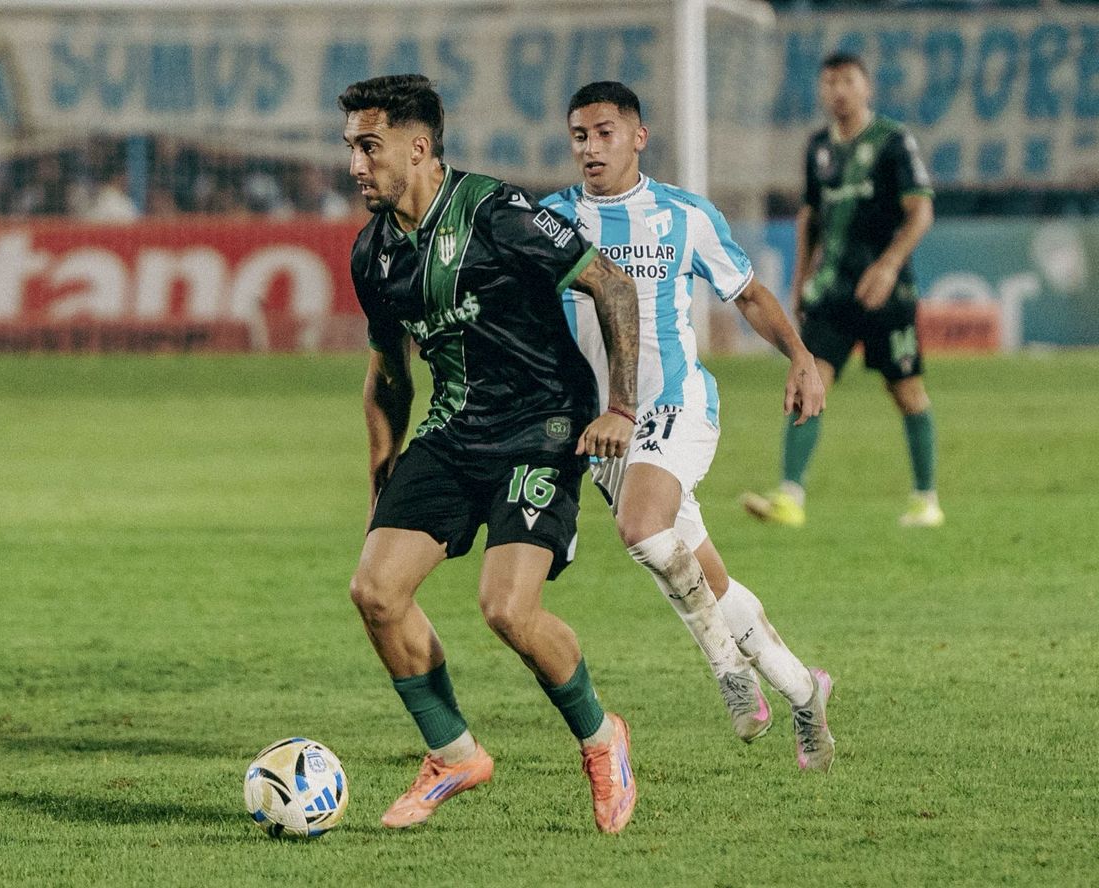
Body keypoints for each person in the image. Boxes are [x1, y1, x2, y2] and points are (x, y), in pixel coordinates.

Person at [340, 74, 642, 833]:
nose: (355, 164)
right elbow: (388, 373)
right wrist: (385, 470)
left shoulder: (496, 213)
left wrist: (622, 408)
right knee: (376, 592)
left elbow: (612, 286)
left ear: (418, 148)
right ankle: (454, 752)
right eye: (350, 146)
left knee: (506, 608)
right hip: (453, 432)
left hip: (542, 428)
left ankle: (603, 738)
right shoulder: (374, 254)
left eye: (368, 147)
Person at [542, 81, 836, 771]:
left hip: (678, 407)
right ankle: (803, 690)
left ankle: (728, 672)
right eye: (580, 135)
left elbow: (751, 295)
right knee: (709, 583)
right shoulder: (551, 221)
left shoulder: (683, 215)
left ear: (638, 137)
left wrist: (801, 358)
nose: (591, 147)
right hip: (608, 431)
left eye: (606, 132)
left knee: (642, 529)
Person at [741, 51, 941, 529]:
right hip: (831, 293)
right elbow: (810, 215)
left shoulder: (894, 142)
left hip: (884, 293)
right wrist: (798, 282)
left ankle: (925, 498)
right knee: (810, 380)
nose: (839, 91)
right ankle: (789, 497)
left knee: (906, 389)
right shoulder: (817, 148)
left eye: (848, 81)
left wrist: (890, 265)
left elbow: (921, 212)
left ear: (867, 88)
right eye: (829, 82)